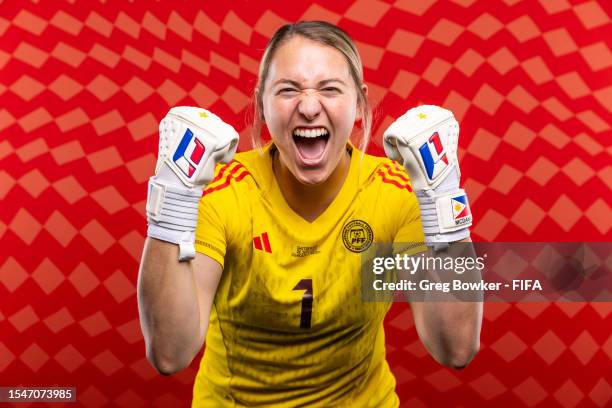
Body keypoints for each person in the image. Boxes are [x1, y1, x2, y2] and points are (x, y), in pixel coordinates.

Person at [138, 21, 482, 407]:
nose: (308, 106)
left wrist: (442, 196)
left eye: (330, 89)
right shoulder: (222, 191)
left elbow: (456, 347)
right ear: (262, 105)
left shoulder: (397, 192)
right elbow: (170, 353)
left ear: (359, 105)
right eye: (288, 90)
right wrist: (174, 198)